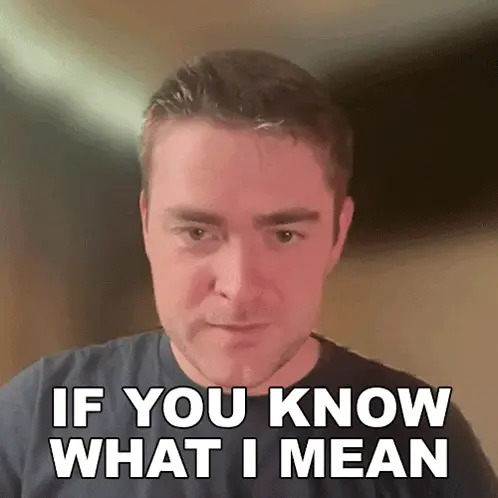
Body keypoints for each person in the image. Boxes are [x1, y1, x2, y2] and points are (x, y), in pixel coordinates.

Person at [0, 49, 496, 498]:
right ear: (148, 226)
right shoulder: (39, 416)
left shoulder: (422, 441)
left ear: (337, 234)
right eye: (197, 232)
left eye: (284, 235)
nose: (239, 289)